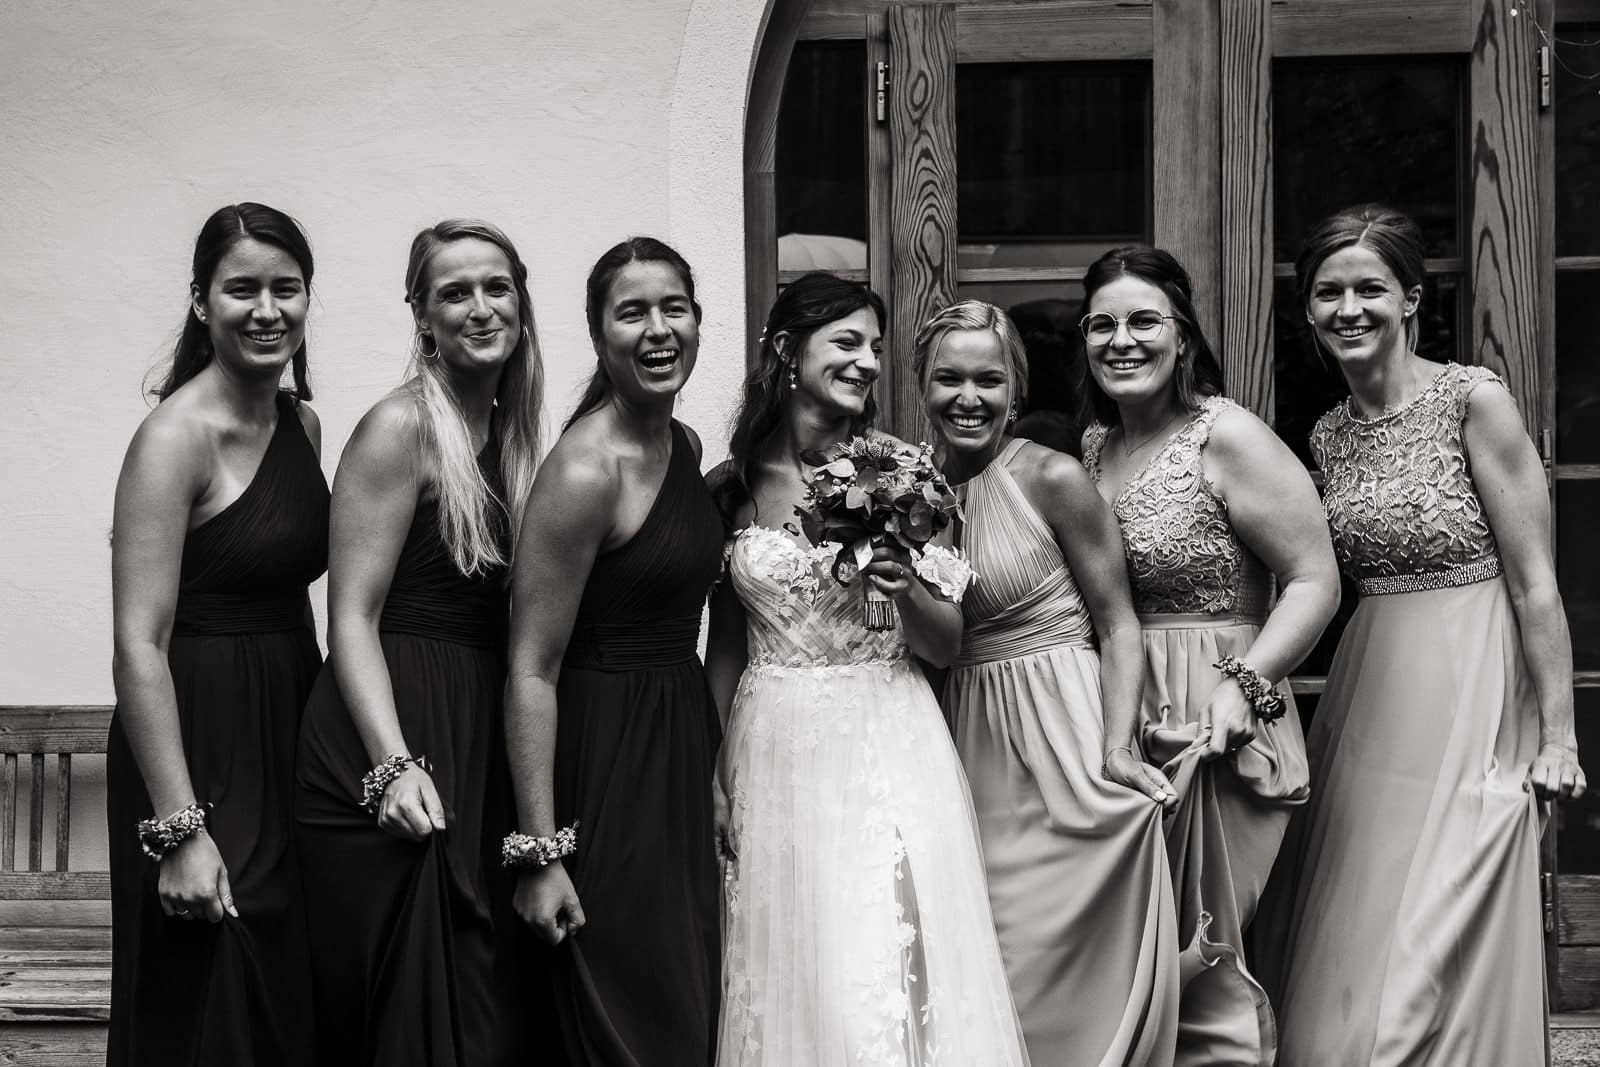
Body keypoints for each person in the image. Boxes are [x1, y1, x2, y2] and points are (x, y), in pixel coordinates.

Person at [1267, 204, 1585, 1065]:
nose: (1349, 309)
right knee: (1359, 941)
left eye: (1370, 289)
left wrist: (1558, 737)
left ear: (1410, 299)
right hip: (1373, 700)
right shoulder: (1328, 435)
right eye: (1328, 292)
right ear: (1309, 310)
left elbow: (1537, 583)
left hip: (1477, 683)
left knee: (1436, 946)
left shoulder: (1473, 401)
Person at [705, 272, 1028, 1067]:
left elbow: (946, 644)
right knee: (794, 962)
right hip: (772, 743)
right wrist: (715, 768)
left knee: (888, 955)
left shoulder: (904, 473)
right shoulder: (732, 486)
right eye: (847, 342)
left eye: (876, 348)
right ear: (788, 351)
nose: (868, 363)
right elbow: (727, 647)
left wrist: (904, 583)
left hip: (887, 734)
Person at [1078, 246, 1340, 1066]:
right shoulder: (1093, 448)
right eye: (1102, 324)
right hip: (1124, 713)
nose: (1122, 340)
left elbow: (1315, 580)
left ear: (1183, 336)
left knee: (1207, 952)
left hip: (1218, 714)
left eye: (1143, 321)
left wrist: (1245, 686)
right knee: (1141, 956)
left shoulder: (1228, 436)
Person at [294, 219, 543, 1065]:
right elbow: (350, 617)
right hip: (385, 736)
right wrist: (393, 765)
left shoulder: (513, 436)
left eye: (497, 288)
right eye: (454, 293)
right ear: (422, 316)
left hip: (473, 733)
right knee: (404, 1009)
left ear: (521, 304)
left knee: (478, 996)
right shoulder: (397, 428)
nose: (481, 308)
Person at [923, 299, 1179, 1065]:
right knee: (987, 952)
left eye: (989, 380)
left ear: (1016, 389)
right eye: (949, 378)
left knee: (1052, 952)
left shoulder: (1052, 477)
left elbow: (1119, 622)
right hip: (967, 743)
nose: (969, 397)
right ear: (922, 385)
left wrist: (1118, 747)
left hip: (1062, 734)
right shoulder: (911, 488)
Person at [107, 202, 327, 1066]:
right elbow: (138, 644)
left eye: (286, 288)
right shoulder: (172, 439)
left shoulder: (303, 425)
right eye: (242, 289)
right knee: (210, 974)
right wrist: (179, 826)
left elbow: (296, 590)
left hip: (289, 719)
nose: (267, 309)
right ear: (201, 301)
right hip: (193, 735)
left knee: (288, 975)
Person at [504, 237, 723, 1065]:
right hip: (606, 762)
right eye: (633, 313)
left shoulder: (686, 446)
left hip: (679, 744)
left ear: (697, 321)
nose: (658, 329)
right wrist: (541, 850)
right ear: (599, 336)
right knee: (627, 1001)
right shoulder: (585, 471)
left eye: (674, 308)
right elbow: (530, 668)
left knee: (688, 989)